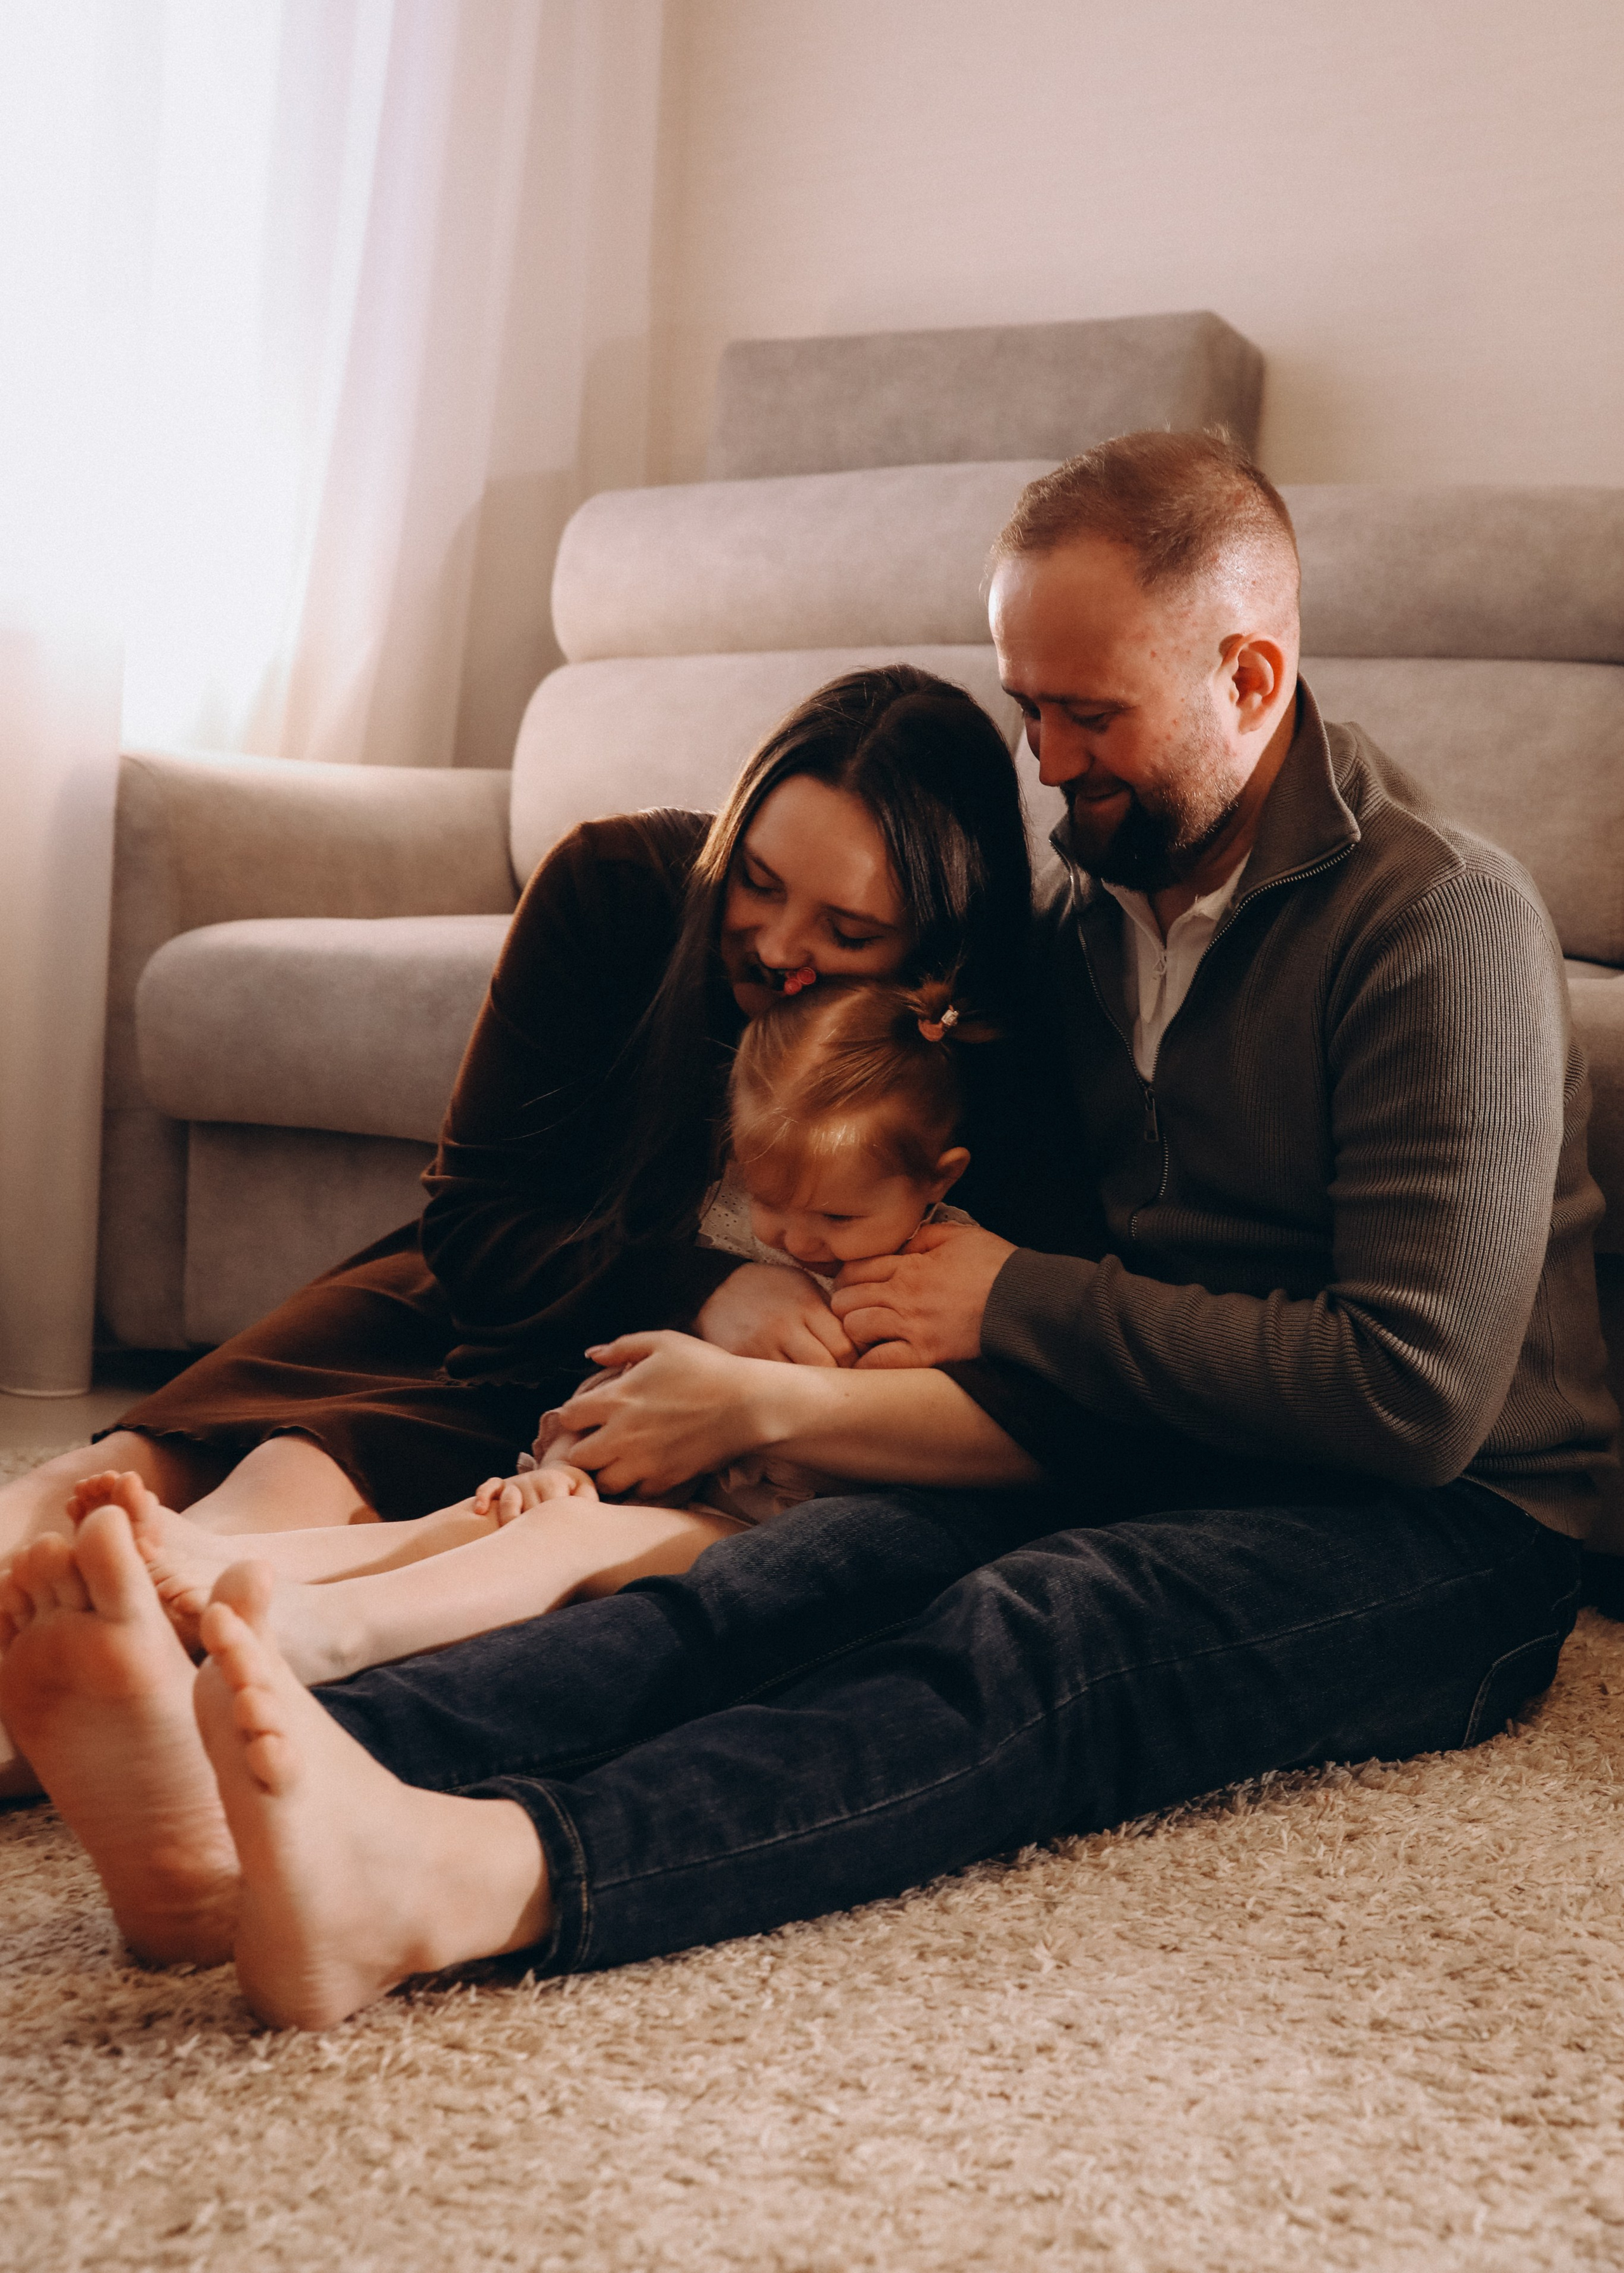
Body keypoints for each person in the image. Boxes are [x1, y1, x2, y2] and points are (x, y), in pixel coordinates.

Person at [3, 428, 1614, 2035]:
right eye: (1024, 705)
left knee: (1034, 1635)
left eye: (1088, 714)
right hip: (1173, 1437)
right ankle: (279, 1770)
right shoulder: (1073, 925)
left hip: (1453, 1526)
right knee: (805, 1568)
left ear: (1249, 678)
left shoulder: (1433, 922)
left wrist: (1017, 1301)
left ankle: (471, 1874)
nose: (1046, 760)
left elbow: (1410, 1397)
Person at [0, 662, 1059, 1789]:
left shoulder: (980, 1045)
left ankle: (80, 1714)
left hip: (617, 1399)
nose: (776, 946)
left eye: (846, 931)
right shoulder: (618, 886)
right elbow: (478, 1222)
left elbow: (1019, 1368)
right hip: (517, 1278)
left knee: (287, 1495)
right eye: (756, 880)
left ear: (936, 954)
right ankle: (68, 1582)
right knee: (125, 1474)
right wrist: (707, 1290)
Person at [67, 978, 1024, 1685]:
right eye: (767, 1201)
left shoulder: (931, 1290)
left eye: (834, 1221)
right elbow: (630, 1379)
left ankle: (317, 1633)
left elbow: (908, 1456)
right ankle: (239, 1566)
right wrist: (563, 1453)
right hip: (670, 1491)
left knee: (545, 1548)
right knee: (481, 1517)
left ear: (939, 1179)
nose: (795, 1239)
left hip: (780, 1533)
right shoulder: (744, 1245)